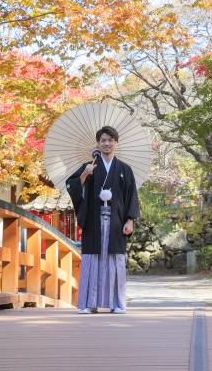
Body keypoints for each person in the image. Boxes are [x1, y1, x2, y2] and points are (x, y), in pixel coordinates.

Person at [65, 126, 140, 314]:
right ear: (98, 143)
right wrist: (84, 175)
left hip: (116, 221)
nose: (106, 143)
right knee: (92, 260)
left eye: (110, 140)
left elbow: (132, 196)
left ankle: (117, 303)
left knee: (115, 261)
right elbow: (71, 186)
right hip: (93, 221)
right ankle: (89, 304)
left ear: (116, 142)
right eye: (103, 140)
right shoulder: (89, 166)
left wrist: (130, 220)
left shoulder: (124, 169)